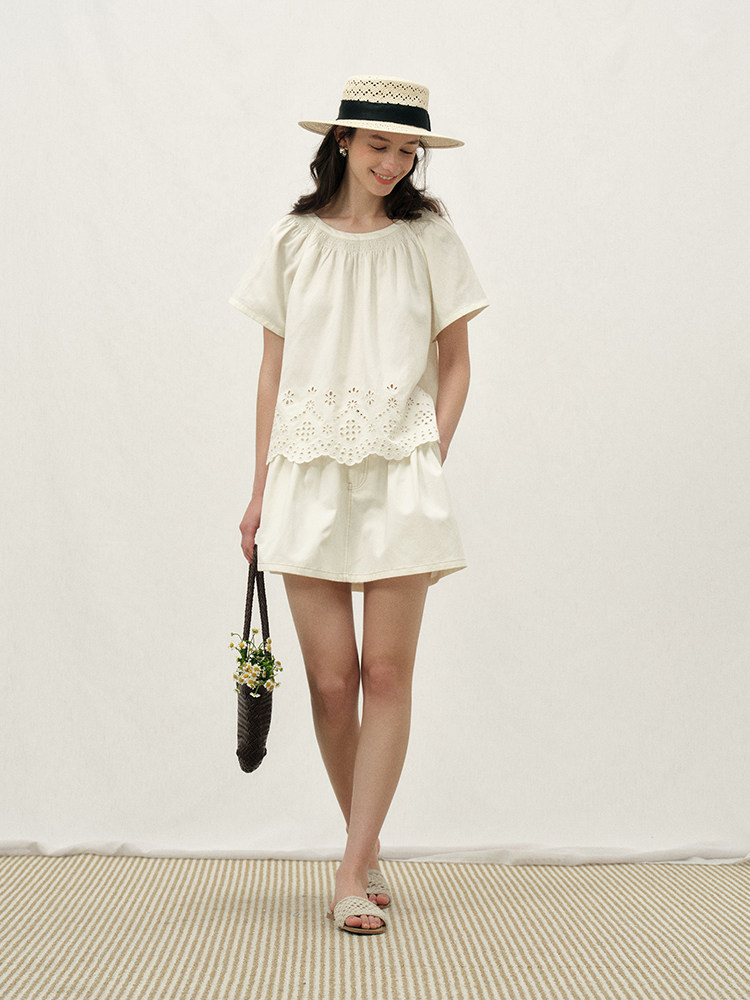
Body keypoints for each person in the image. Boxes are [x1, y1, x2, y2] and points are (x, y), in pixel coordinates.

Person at [229, 75, 489, 936]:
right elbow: (271, 372)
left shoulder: (429, 238)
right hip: (305, 468)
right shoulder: (292, 239)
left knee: (386, 674)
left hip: (399, 471)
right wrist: (260, 490)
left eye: (408, 150)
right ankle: (364, 845)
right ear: (342, 141)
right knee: (332, 682)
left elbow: (457, 361)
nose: (394, 163)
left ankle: (350, 870)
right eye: (379, 145)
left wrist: (429, 452)